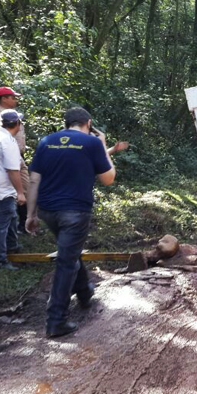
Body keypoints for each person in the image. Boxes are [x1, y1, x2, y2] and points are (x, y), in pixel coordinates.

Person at [26, 107, 116, 338]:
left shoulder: (46, 141)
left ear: (66, 124)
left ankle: (84, 292)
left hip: (48, 211)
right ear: (89, 122)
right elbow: (108, 179)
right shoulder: (92, 143)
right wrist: (104, 144)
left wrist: (30, 214)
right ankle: (56, 321)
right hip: (75, 212)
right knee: (66, 262)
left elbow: (34, 180)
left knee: (69, 252)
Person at [0, 110, 25, 270]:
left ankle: (12, 246)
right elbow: (12, 170)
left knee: (11, 216)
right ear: (17, 124)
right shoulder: (8, 141)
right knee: (1, 223)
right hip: (1, 189)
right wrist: (20, 192)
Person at [0, 86, 29, 231]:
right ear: (4, 98)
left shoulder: (13, 114)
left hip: (17, 156)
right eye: (13, 97)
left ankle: (24, 224)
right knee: (9, 192)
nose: (16, 100)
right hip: (4, 158)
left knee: (25, 188)